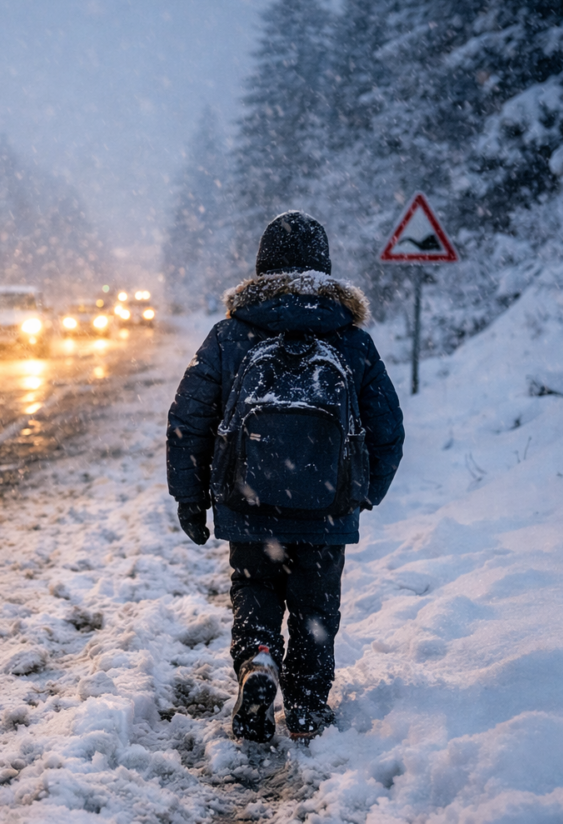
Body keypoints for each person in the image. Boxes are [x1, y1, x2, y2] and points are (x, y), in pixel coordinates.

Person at [166, 211, 404, 742]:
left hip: (249, 501)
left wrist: (190, 496)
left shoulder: (230, 334)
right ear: (325, 268)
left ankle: (258, 660)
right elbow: (388, 429)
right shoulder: (351, 340)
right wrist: (361, 494)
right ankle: (307, 709)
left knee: (255, 589)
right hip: (325, 504)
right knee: (316, 606)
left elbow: (189, 418)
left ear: (260, 266)